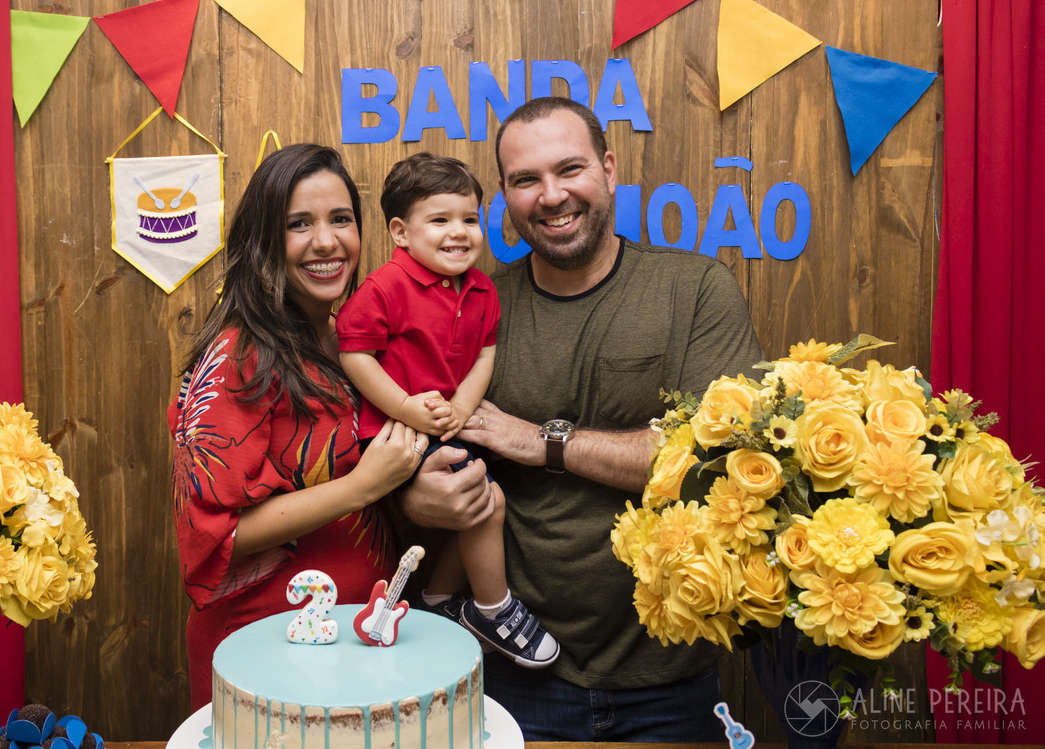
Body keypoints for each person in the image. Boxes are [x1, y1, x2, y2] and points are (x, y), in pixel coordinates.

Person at [399, 97, 764, 742]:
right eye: (524, 180)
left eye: (569, 169)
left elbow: (726, 461)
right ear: (505, 199)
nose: (551, 195)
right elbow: (421, 446)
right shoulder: (475, 310)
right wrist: (421, 497)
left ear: (610, 169)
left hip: (670, 677)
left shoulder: (695, 290)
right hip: (513, 673)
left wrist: (542, 441)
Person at [169, 144, 427, 710]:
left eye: (341, 219)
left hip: (362, 641)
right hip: (269, 653)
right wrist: (365, 485)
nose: (327, 241)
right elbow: (213, 535)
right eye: (298, 225)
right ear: (263, 240)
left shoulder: (349, 342)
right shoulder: (239, 355)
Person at [336, 152, 558, 668]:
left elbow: (485, 351)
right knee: (487, 502)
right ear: (400, 232)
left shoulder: (481, 289)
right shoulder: (384, 286)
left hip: (450, 421)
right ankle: (492, 607)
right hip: (398, 433)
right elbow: (355, 354)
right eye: (440, 220)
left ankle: (436, 600)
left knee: (485, 498)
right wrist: (407, 408)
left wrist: (463, 403)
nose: (459, 232)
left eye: (469, 219)